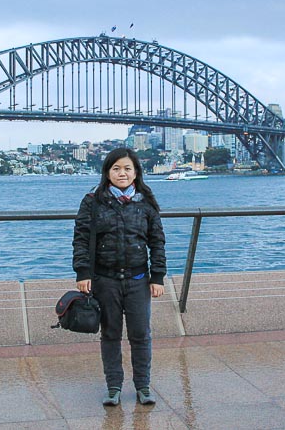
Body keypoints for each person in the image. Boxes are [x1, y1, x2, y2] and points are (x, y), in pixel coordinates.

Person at [72, 147, 167, 406]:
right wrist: (83, 272)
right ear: (107, 172)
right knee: (111, 334)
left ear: (136, 173)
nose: (121, 173)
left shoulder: (146, 201)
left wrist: (157, 276)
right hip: (105, 280)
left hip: (138, 280)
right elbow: (81, 239)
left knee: (141, 335)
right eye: (116, 168)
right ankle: (113, 387)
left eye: (127, 168)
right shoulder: (92, 201)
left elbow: (157, 241)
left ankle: (143, 387)